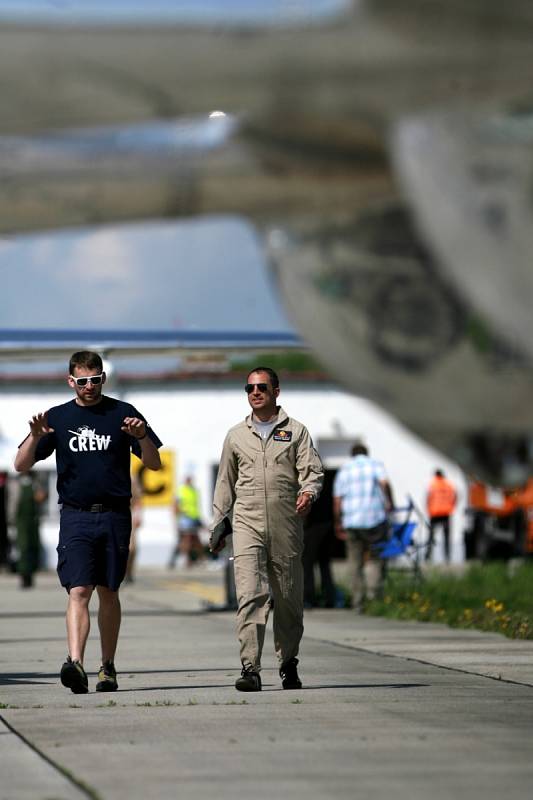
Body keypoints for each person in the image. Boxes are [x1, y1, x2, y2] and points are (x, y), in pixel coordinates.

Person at [14, 351, 162, 695]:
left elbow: (153, 463)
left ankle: (107, 666)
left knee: (109, 591)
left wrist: (141, 437)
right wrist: (36, 437)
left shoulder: (123, 414)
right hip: (76, 516)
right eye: (82, 381)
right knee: (79, 589)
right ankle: (75, 663)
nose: (89, 386)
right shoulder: (58, 417)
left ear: (102, 379)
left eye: (95, 380)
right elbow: (21, 464)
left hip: (114, 515)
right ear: (71, 381)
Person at [210, 366, 324, 692]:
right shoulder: (235, 436)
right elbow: (224, 483)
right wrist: (218, 523)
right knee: (250, 595)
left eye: (261, 387)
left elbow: (312, 471)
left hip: (286, 523)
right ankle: (251, 669)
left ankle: (288, 663)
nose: (255, 393)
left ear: (276, 391)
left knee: (288, 598)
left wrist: (308, 492)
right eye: (249, 388)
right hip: (247, 522)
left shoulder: (297, 432)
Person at [333, 441, 394, 613]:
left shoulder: (344, 470)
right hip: (374, 518)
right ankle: (374, 597)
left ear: (352, 454)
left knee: (355, 561)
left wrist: (338, 522)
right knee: (375, 558)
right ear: (367, 453)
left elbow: (337, 499)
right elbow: (384, 484)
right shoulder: (375, 465)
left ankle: (357, 601)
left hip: (352, 521)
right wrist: (390, 502)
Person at [302, 471, 336, 609]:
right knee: (324, 564)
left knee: (307, 564)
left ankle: (309, 598)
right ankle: (329, 597)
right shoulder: (325, 478)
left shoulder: (306, 480)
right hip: (327, 524)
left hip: (311, 526)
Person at [15, 471, 47, 588]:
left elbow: (42, 497)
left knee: (33, 547)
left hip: (33, 520)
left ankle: (30, 575)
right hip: (21, 521)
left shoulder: (35, 483)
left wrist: (41, 496)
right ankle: (23, 576)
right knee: (23, 547)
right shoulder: (16, 483)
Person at [169, 475, 203, 568]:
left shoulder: (194, 491)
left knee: (194, 540)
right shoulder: (181, 491)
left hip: (193, 518)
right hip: (185, 519)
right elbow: (175, 505)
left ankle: (194, 560)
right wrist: (176, 519)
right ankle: (187, 560)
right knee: (187, 540)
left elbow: (195, 506)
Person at [426, 469, 457, 562]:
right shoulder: (449, 485)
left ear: (436, 475)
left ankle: (428, 556)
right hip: (446, 513)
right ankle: (447, 557)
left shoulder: (433, 484)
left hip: (434, 513)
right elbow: (455, 496)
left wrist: (428, 509)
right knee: (446, 536)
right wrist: (452, 506)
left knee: (431, 536)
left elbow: (428, 498)